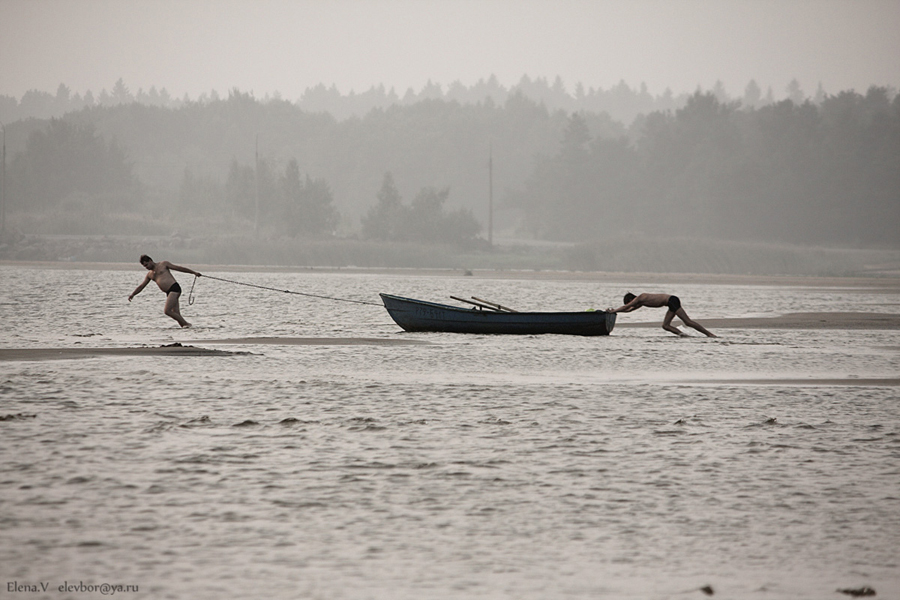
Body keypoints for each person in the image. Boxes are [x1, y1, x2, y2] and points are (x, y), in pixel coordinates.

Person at [129, 255, 201, 327]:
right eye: (144, 266)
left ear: (150, 261)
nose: (146, 267)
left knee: (167, 311)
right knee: (176, 313)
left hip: (174, 288)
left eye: (147, 265)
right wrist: (133, 294)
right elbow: (142, 286)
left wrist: (194, 272)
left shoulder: (163, 264)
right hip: (168, 292)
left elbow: (179, 268)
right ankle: (185, 328)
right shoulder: (150, 274)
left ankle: (187, 324)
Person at [609, 292, 717, 338]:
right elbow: (629, 310)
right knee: (665, 326)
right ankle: (684, 335)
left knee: (687, 322)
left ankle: (709, 334)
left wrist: (613, 311)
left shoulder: (641, 297)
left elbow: (626, 307)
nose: (629, 304)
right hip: (670, 303)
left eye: (629, 302)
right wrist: (615, 311)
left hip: (671, 300)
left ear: (631, 299)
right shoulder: (640, 303)